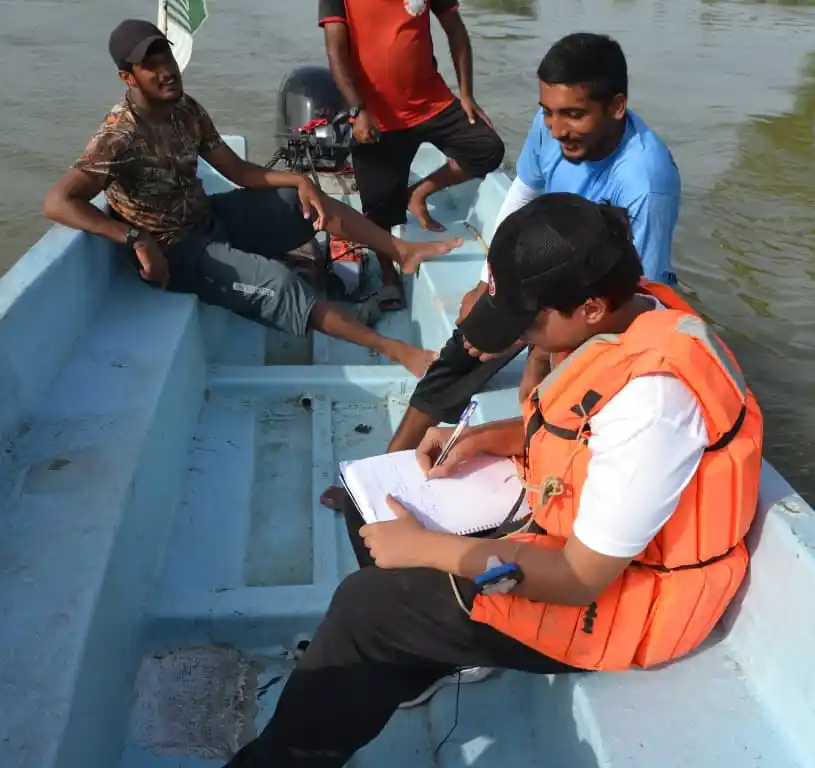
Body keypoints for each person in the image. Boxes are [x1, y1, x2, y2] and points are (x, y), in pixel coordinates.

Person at [226, 193, 762, 767]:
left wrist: (425, 549)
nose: (522, 336)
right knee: (377, 501)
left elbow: (581, 578)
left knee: (367, 607)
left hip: (623, 604)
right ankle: (421, 661)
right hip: (575, 540)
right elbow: (577, 436)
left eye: (529, 322)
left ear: (590, 306)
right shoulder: (623, 320)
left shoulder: (653, 403)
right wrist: (485, 439)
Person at [43, 20, 460, 377]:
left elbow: (237, 171)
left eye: (166, 59)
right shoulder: (118, 135)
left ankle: (400, 250)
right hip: (180, 252)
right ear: (127, 77)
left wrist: (298, 182)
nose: (166, 72)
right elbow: (59, 202)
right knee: (279, 282)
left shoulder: (185, 108)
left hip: (211, 216)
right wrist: (133, 236)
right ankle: (396, 350)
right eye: (150, 66)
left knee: (301, 199)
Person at [386, 31, 682, 454]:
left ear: (617, 107)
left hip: (601, 305)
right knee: (464, 348)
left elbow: (631, 296)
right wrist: (491, 285)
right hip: (545, 269)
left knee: (562, 400)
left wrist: (536, 346)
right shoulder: (552, 126)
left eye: (574, 115)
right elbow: (522, 196)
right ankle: (384, 468)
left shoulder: (645, 184)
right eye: (548, 112)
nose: (557, 130)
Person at [319, 0, 505, 233]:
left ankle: (418, 193)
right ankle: (387, 270)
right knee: (379, 214)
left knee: (487, 149)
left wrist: (466, 94)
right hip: (377, 117)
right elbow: (335, 51)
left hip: (432, 103)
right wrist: (358, 109)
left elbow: (455, 29)